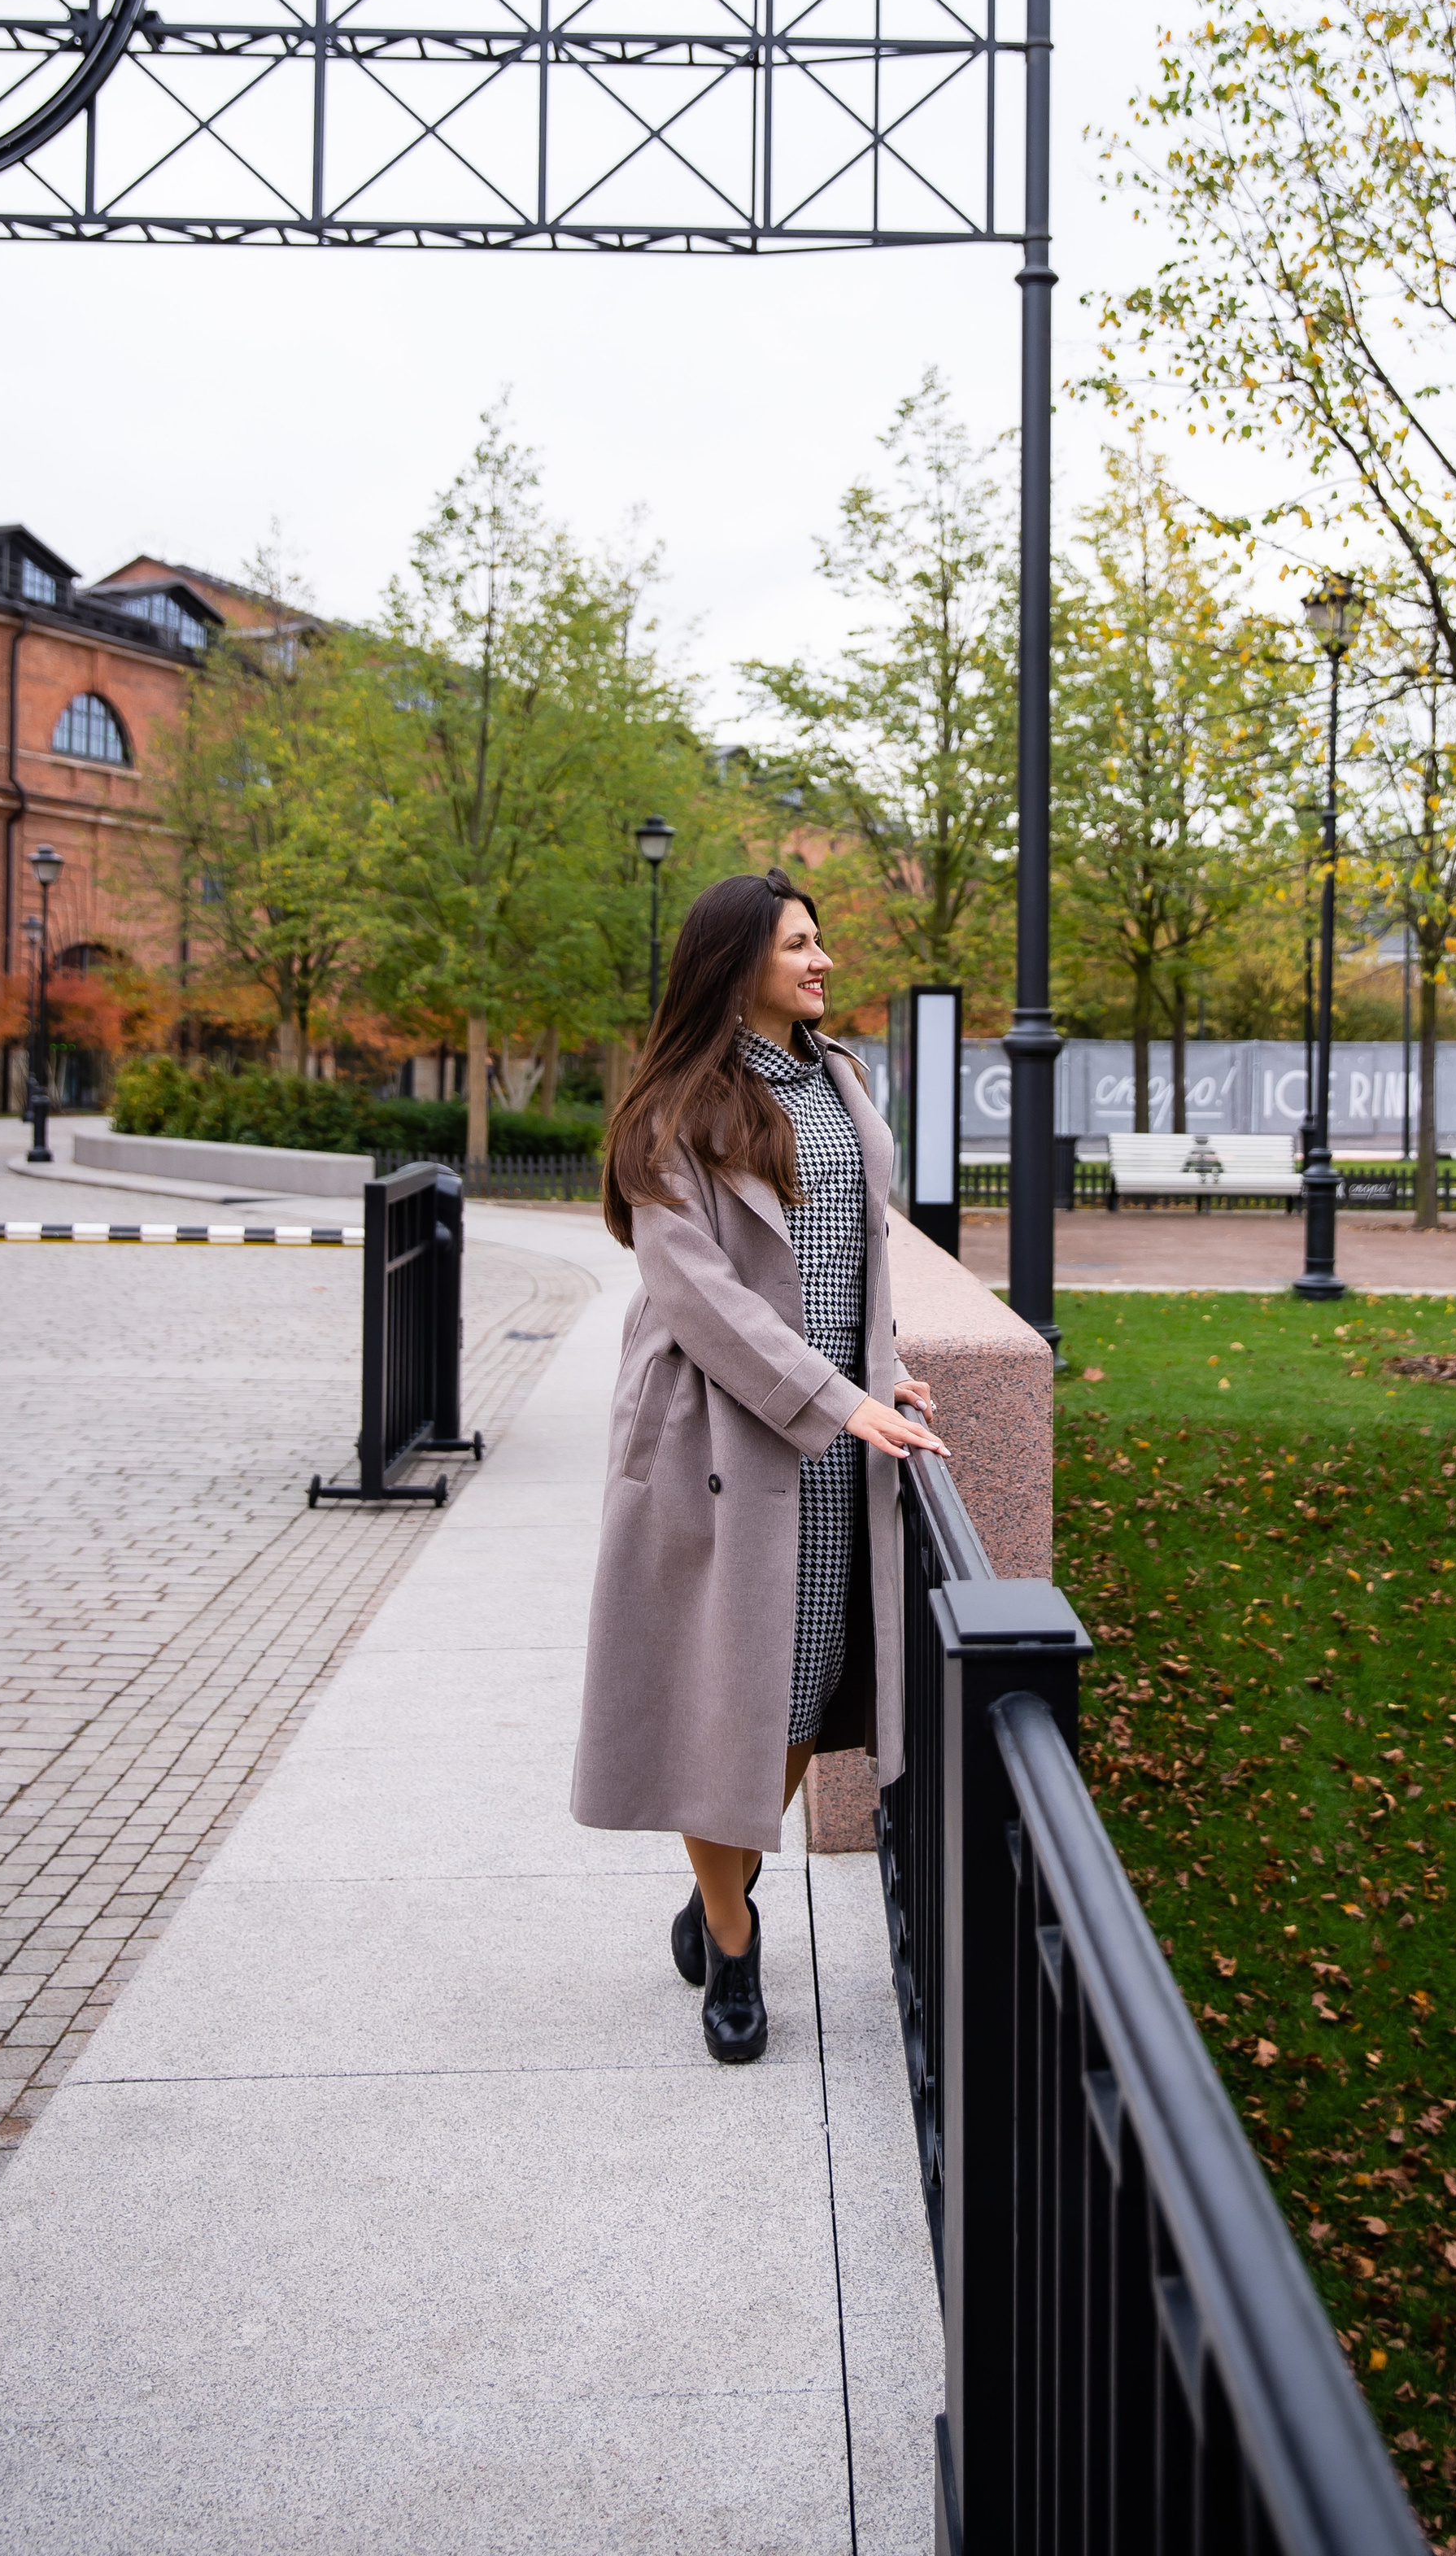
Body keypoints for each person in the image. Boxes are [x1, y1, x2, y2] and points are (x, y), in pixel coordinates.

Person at [573, 867, 948, 2063]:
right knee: (724, 1686)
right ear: (737, 966)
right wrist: (837, 1396)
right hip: (718, 1437)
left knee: (802, 1686)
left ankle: (712, 1887)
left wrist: (879, 1368)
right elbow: (703, 1298)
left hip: (837, 1432)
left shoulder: (838, 1080)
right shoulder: (670, 1114)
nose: (823, 959)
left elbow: (860, 1257)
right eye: (797, 945)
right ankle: (734, 1942)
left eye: (820, 940)